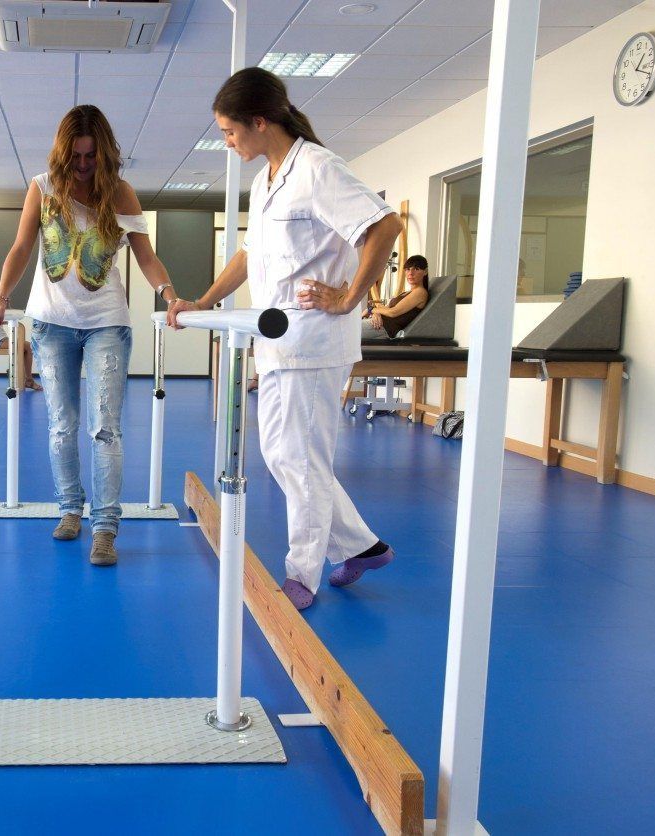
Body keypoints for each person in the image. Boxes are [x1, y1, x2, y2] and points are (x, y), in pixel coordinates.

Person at [168, 68, 404, 610]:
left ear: (259, 121)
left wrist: (349, 298)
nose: (227, 142)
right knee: (280, 454)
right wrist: (205, 301)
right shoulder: (266, 181)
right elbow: (250, 255)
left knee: (301, 459)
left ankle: (303, 573)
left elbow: (385, 227)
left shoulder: (317, 168)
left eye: (230, 131)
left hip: (316, 341)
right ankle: (363, 546)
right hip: (276, 340)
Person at [0, 104, 175, 567]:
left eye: (91, 156)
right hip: (52, 323)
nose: (84, 165)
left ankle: (105, 528)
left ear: (103, 154)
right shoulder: (43, 187)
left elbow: (146, 256)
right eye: (76, 156)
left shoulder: (121, 193)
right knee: (61, 424)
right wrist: (0, 296)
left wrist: (170, 295)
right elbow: (22, 247)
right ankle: (70, 508)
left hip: (106, 321)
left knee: (105, 428)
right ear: (62, 153)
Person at [361, 254, 430, 340]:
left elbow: (393, 312)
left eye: (416, 269)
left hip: (384, 327)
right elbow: (386, 308)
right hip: (377, 323)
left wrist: (370, 310)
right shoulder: (406, 293)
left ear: (425, 271)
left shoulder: (420, 292)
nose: (410, 273)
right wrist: (376, 313)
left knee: (348, 329)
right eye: (408, 269)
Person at [0, 319, 41, 390]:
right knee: (28, 346)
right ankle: (28, 380)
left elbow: (4, 319)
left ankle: (25, 378)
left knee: (26, 347)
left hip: (2, 338)